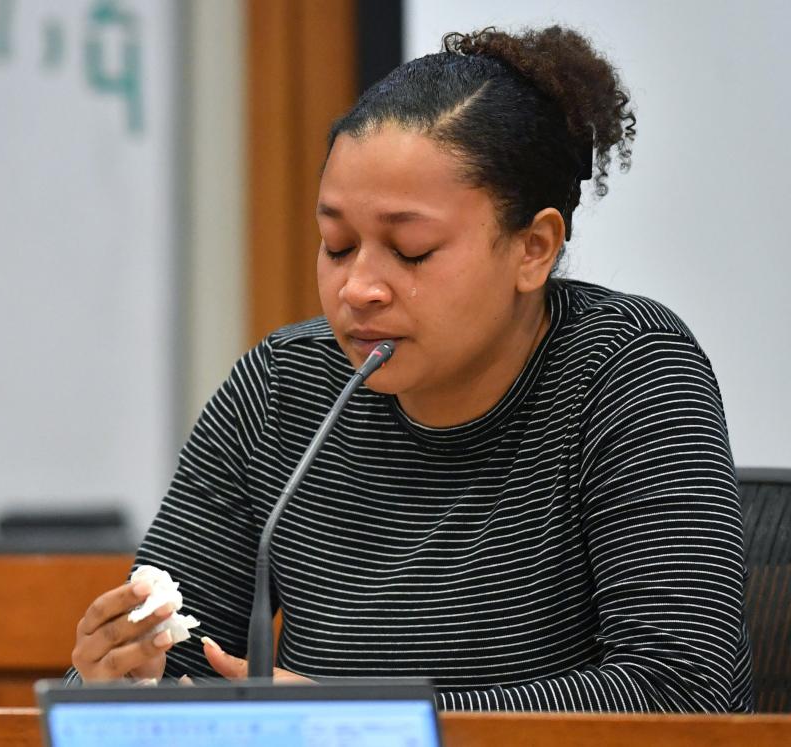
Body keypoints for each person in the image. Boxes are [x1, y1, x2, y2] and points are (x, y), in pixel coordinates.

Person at [68, 26, 754, 712]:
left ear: (533, 249)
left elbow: (679, 690)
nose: (359, 287)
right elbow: (172, 663)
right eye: (337, 245)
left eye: (412, 249)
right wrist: (120, 682)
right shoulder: (281, 390)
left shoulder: (627, 373)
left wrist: (375, 721)